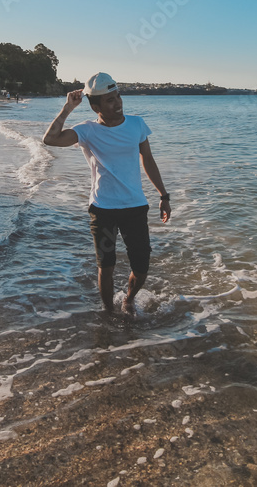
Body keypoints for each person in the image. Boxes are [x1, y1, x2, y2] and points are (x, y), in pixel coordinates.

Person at [42, 72, 171, 315]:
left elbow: (149, 161)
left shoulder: (137, 124)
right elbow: (50, 139)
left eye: (118, 96)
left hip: (135, 207)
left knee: (142, 267)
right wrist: (67, 108)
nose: (118, 103)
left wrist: (164, 196)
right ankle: (108, 313)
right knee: (107, 267)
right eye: (110, 100)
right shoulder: (87, 131)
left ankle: (129, 300)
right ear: (95, 106)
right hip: (103, 210)